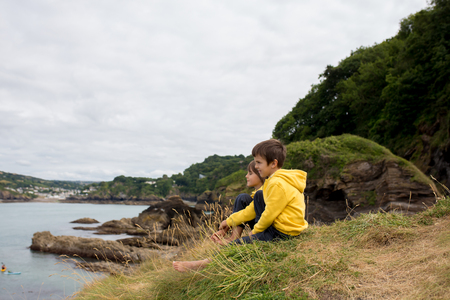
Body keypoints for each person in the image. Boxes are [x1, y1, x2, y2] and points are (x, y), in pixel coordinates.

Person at [173, 139, 308, 272]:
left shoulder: (277, 183)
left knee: (238, 244)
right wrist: (229, 221)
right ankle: (233, 242)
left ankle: (203, 264)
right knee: (259, 197)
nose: (256, 167)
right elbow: (251, 210)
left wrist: (255, 233)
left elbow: (270, 214)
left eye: (259, 163)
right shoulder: (271, 182)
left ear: (273, 163)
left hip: (283, 233)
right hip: (279, 227)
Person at [211, 160, 266, 245]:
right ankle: (234, 237)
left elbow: (248, 213)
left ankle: (234, 238)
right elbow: (245, 211)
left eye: (250, 173)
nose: (246, 176)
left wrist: (227, 222)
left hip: (267, 228)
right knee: (242, 198)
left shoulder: (264, 192)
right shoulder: (256, 193)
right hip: (260, 224)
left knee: (242, 198)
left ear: (260, 174)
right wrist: (225, 230)